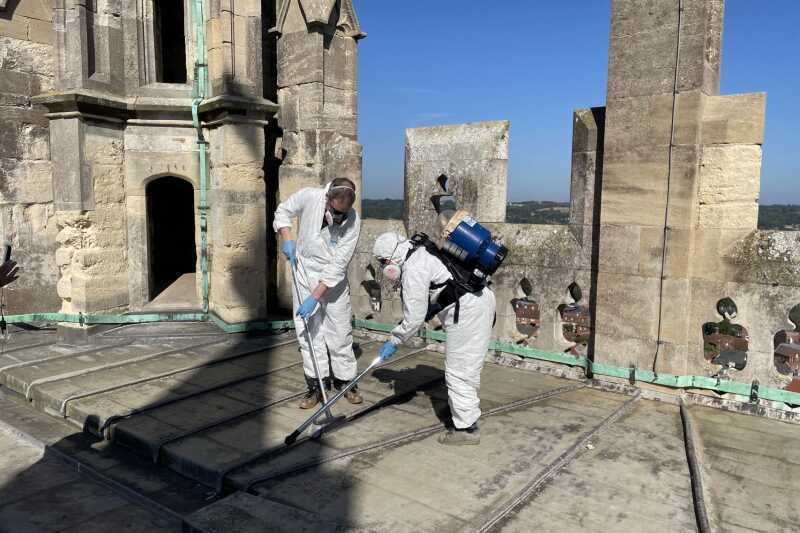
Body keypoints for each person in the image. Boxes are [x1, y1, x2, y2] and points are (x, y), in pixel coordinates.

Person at [372, 232, 496, 446]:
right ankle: (464, 411)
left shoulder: (412, 269)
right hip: (479, 300)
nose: (385, 268)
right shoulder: (422, 250)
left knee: (459, 371)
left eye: (383, 262)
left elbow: (414, 319)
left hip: (467, 311)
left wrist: (394, 341)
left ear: (391, 257)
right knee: (466, 365)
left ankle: (465, 429)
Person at [274, 178, 362, 408]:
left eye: (345, 212)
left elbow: (339, 264)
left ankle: (346, 381)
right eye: (336, 211)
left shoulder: (353, 220)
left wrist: (316, 295)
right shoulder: (310, 196)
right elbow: (283, 210)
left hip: (333, 282)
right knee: (308, 331)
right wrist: (287, 238)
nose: (340, 217)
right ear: (328, 199)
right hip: (304, 272)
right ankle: (316, 385)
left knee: (340, 330)